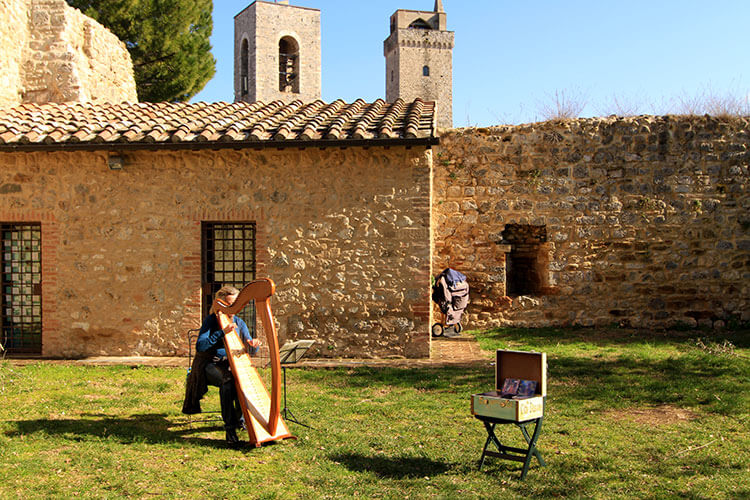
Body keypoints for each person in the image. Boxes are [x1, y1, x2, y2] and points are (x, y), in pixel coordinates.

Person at [182, 285, 260, 446]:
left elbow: (250, 348)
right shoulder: (211, 321)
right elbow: (201, 346)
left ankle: (240, 420)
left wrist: (254, 344)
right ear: (221, 304)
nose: (232, 309)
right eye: (229, 305)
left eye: (235, 305)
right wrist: (222, 331)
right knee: (228, 382)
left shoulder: (239, 322)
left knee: (241, 382)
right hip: (210, 364)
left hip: (232, 364)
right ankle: (230, 430)